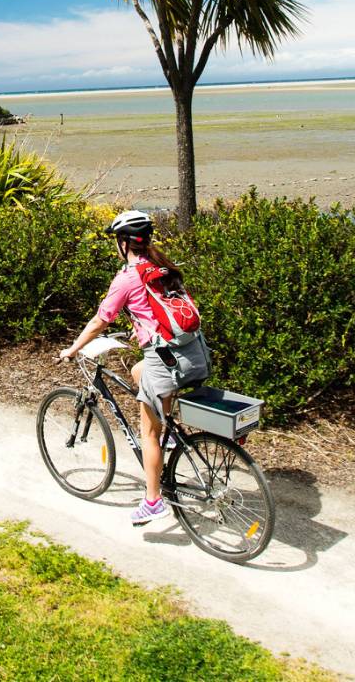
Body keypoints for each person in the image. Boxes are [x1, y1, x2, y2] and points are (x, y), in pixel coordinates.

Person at [59, 210, 210, 527]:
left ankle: (153, 501)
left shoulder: (127, 277)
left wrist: (73, 349)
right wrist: (139, 328)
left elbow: (101, 320)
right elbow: (164, 311)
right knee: (139, 372)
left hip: (165, 361)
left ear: (124, 243)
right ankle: (169, 430)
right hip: (195, 354)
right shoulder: (164, 267)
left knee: (148, 435)